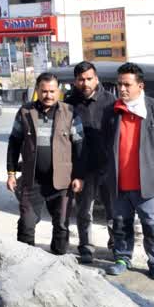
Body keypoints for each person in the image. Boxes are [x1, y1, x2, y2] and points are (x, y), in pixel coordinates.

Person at [102, 62, 154, 280]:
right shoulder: (113, 111)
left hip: (147, 183)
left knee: (151, 226)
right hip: (119, 182)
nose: (121, 89)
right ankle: (123, 257)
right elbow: (107, 143)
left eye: (127, 85)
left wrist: (150, 163)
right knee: (122, 225)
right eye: (119, 85)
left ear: (140, 86)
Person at [6, 72, 85, 255]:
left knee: (61, 225)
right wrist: (11, 173)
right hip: (32, 180)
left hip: (62, 182)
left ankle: (58, 259)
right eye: (44, 91)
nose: (48, 95)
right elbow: (14, 142)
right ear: (37, 91)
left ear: (58, 91)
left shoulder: (70, 112)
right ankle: (25, 260)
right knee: (26, 224)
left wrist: (79, 176)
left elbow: (80, 146)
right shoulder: (25, 112)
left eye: (52, 91)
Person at [64, 61, 117, 264]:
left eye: (89, 79)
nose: (85, 83)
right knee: (84, 211)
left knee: (113, 211)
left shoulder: (111, 102)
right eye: (81, 79)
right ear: (75, 81)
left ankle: (116, 246)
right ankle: (86, 248)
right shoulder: (69, 104)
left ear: (96, 78)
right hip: (83, 169)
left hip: (108, 167)